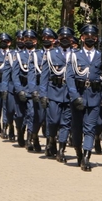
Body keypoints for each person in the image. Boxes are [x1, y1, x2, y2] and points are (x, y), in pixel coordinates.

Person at [66, 24, 102, 172]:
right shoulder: (74, 55)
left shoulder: (101, 55)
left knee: (90, 128)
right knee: (77, 128)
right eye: (87, 37)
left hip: (94, 95)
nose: (90, 39)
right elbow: (69, 77)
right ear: (82, 38)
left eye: (93, 37)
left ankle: (87, 157)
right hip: (79, 95)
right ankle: (79, 154)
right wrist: (75, 96)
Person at [39, 27, 74, 163]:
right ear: (58, 39)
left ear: (71, 39)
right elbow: (44, 76)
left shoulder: (76, 54)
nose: (65, 40)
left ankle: (61, 150)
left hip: (69, 93)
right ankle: (51, 139)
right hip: (54, 91)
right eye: (62, 37)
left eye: (68, 37)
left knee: (66, 123)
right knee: (53, 120)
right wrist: (43, 94)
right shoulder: (50, 54)